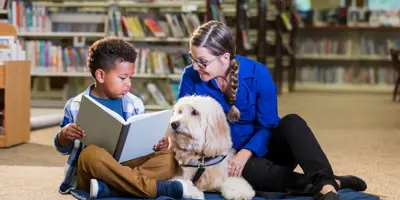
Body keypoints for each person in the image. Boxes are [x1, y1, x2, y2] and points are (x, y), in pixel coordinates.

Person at [175, 20, 367, 200]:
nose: (195, 66)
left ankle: (325, 182)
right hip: (226, 158)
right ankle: (329, 184)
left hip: (264, 149)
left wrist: (247, 152)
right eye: (193, 59)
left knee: (293, 122)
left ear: (225, 58)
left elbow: (267, 126)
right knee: (247, 171)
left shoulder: (258, 73)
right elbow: (181, 118)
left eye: (202, 61)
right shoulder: (190, 76)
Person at [53, 36, 187, 199]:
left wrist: (159, 143)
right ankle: (152, 188)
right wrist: (64, 135)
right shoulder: (76, 105)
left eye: (130, 77)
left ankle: (110, 189)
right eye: (123, 78)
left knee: (169, 157)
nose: (128, 83)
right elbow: (63, 148)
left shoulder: (135, 103)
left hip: (127, 163)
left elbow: (142, 141)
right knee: (90, 155)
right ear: (101, 75)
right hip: (96, 168)